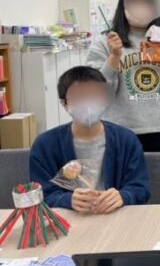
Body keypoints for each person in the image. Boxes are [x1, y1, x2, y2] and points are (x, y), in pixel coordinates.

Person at [86, 0, 160, 184]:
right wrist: (114, 57)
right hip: (118, 130)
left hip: (159, 130)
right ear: (123, 7)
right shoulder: (105, 42)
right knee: (117, 191)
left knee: (158, 191)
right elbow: (97, 91)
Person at [30, 66, 150, 212]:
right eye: (79, 96)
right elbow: (39, 194)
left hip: (115, 216)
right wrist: (67, 200)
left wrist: (124, 196)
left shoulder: (126, 140)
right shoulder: (45, 145)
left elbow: (141, 188)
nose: (88, 103)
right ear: (64, 104)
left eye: (94, 95)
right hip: (69, 219)